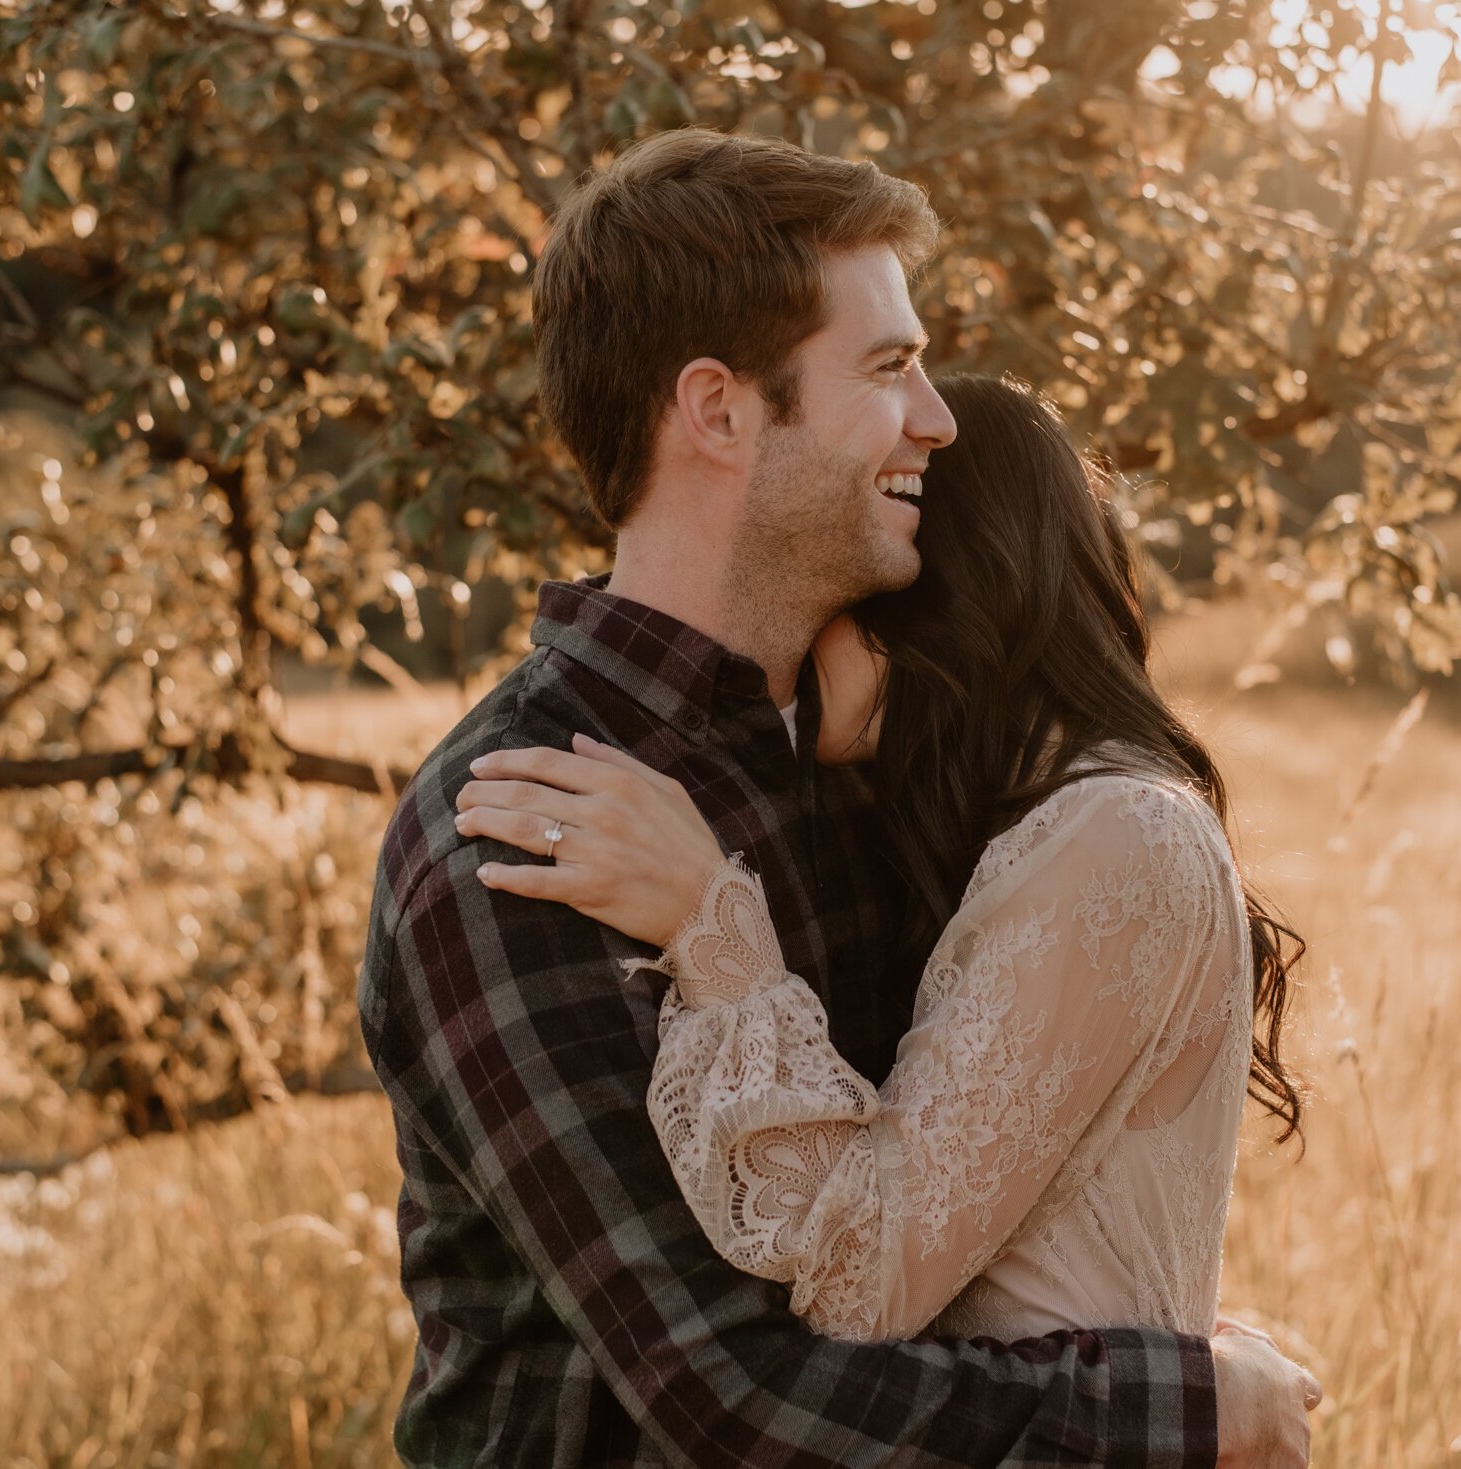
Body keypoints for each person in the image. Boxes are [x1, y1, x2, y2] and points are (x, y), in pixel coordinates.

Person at [359, 127, 1318, 1467]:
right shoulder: (528, 826)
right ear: (720, 412)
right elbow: (739, 1405)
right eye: (888, 368)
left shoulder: (872, 775)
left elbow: (964, 1220)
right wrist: (1178, 1407)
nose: (936, 416)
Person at [458, 370, 1304, 1346]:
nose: (792, 620)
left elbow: (863, 1283)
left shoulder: (1119, 835)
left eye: (834, 578)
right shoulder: (1053, 821)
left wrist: (712, 927)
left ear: (931, 593)